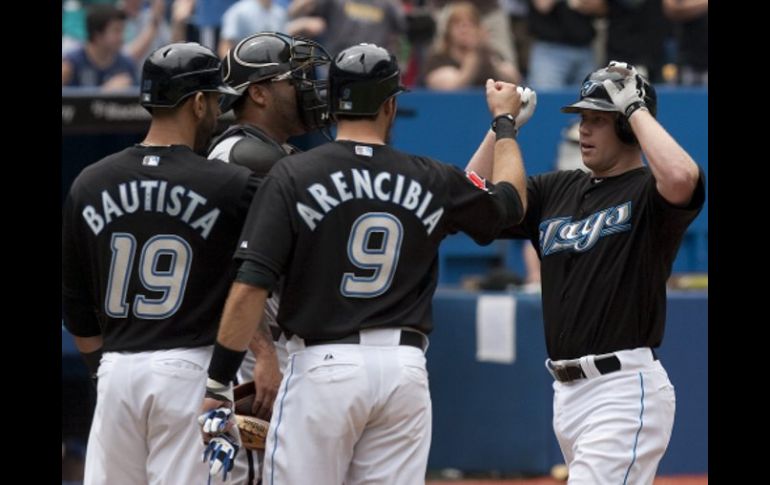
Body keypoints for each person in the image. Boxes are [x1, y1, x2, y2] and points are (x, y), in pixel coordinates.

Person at [198, 42, 536, 484]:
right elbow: (507, 203)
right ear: (391, 105)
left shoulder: (295, 172)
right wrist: (504, 127)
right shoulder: (425, 174)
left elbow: (249, 283)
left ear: (335, 100)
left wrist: (217, 382)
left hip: (322, 364)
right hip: (402, 368)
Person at [487, 61, 704, 484]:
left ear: (626, 127)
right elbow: (480, 198)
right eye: (583, 118)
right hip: (566, 394)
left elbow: (682, 176)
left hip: (622, 389)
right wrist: (502, 126)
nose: (584, 129)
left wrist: (636, 109)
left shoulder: (648, 193)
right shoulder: (556, 189)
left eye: (599, 120)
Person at [61, 42, 259, 484]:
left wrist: (106, 371)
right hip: (190, 370)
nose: (216, 112)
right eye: (214, 101)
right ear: (197, 102)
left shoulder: (89, 183)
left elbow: (75, 307)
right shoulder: (230, 184)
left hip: (116, 370)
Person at [206, 30, 332, 484]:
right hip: (249, 349)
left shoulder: (269, 153)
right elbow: (229, 272)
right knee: (253, 474)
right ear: (257, 92)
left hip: (264, 341)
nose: (307, 88)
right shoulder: (245, 156)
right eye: (293, 79)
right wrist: (260, 352)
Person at [62, 3, 138, 90]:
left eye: (122, 30)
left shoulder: (127, 65)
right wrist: (105, 92)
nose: (121, 37)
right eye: (116, 31)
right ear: (97, 36)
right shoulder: (70, 64)